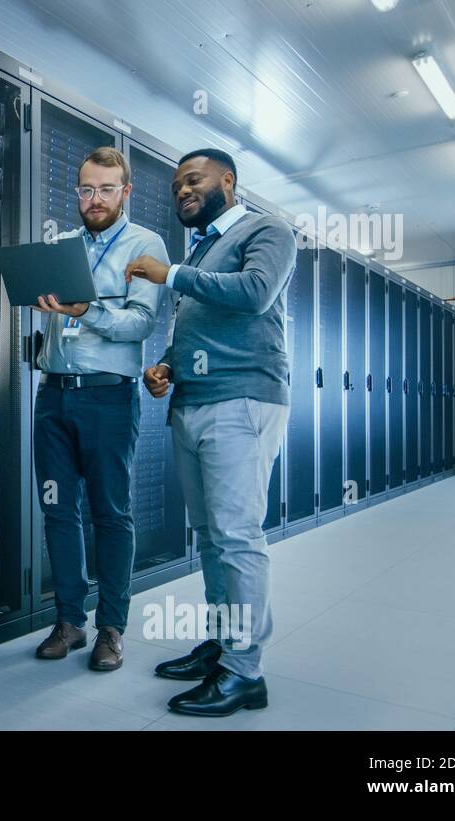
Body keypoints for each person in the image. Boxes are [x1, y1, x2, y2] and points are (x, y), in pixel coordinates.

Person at [126, 148, 296, 715]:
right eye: (176, 186)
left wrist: (170, 273)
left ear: (228, 180)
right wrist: (167, 366)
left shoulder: (267, 230)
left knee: (237, 536)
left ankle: (246, 672)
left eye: (192, 181)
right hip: (194, 401)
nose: (182, 192)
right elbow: (195, 324)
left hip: (242, 399)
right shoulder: (201, 249)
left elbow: (254, 294)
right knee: (211, 536)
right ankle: (225, 647)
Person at [32, 146, 166, 672]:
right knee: (57, 511)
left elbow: (140, 324)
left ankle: (112, 627)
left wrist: (87, 312)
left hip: (109, 396)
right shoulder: (61, 246)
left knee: (111, 513)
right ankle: (70, 621)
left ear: (125, 192)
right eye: (86, 189)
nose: (95, 199)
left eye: (107, 189)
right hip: (54, 393)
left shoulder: (144, 245)